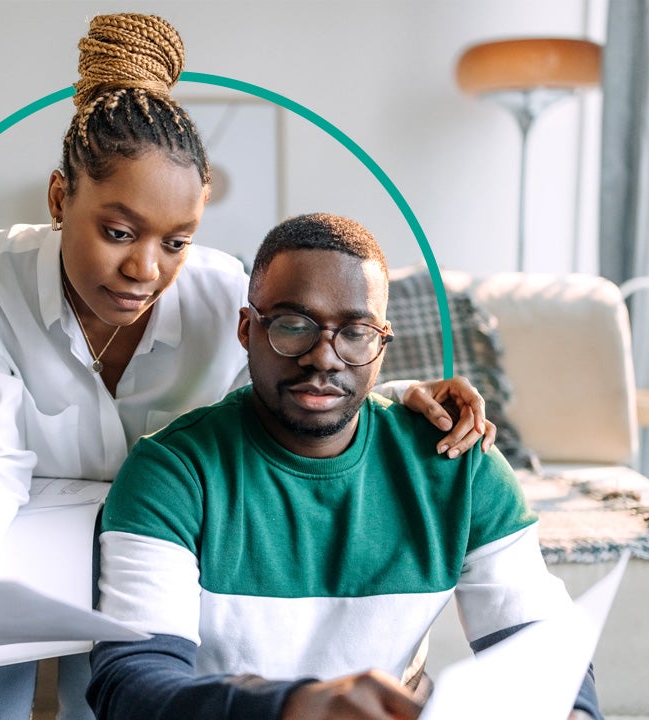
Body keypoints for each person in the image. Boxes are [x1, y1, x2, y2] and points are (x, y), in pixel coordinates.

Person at [0, 15, 497, 720]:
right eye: (117, 232)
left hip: (151, 531)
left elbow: (287, 399)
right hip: (9, 522)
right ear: (61, 199)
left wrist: (399, 399)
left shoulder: (219, 295)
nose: (145, 270)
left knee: (107, 700)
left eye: (176, 240)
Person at [86, 213, 603, 720]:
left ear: (382, 344)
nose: (324, 357)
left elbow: (542, 646)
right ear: (247, 329)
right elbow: (131, 686)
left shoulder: (459, 464)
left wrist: (573, 712)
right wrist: (294, 707)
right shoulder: (171, 471)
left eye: (355, 332)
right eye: (293, 325)